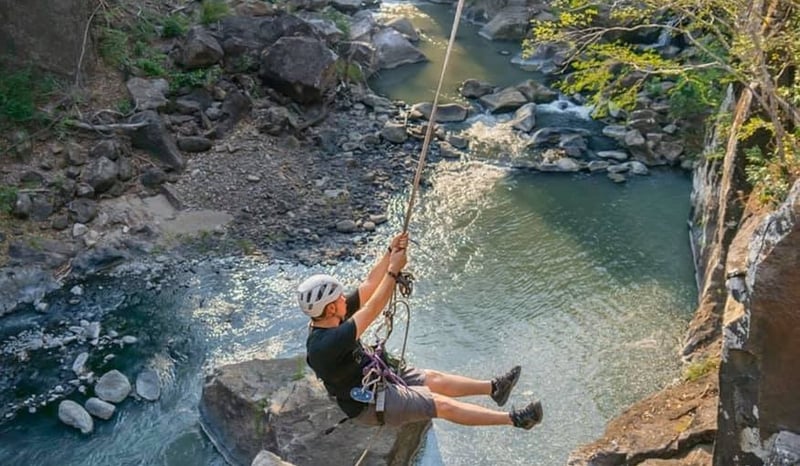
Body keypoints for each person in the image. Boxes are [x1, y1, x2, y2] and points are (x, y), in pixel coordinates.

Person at [298, 232, 543, 429]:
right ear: (330, 308)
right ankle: (516, 420)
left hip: (375, 377)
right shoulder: (325, 344)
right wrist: (393, 272)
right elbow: (373, 308)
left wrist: (389, 253)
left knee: (432, 378)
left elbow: (369, 286)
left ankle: (494, 388)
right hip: (369, 403)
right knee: (440, 404)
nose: (344, 298)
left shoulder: (330, 317)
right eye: (339, 298)